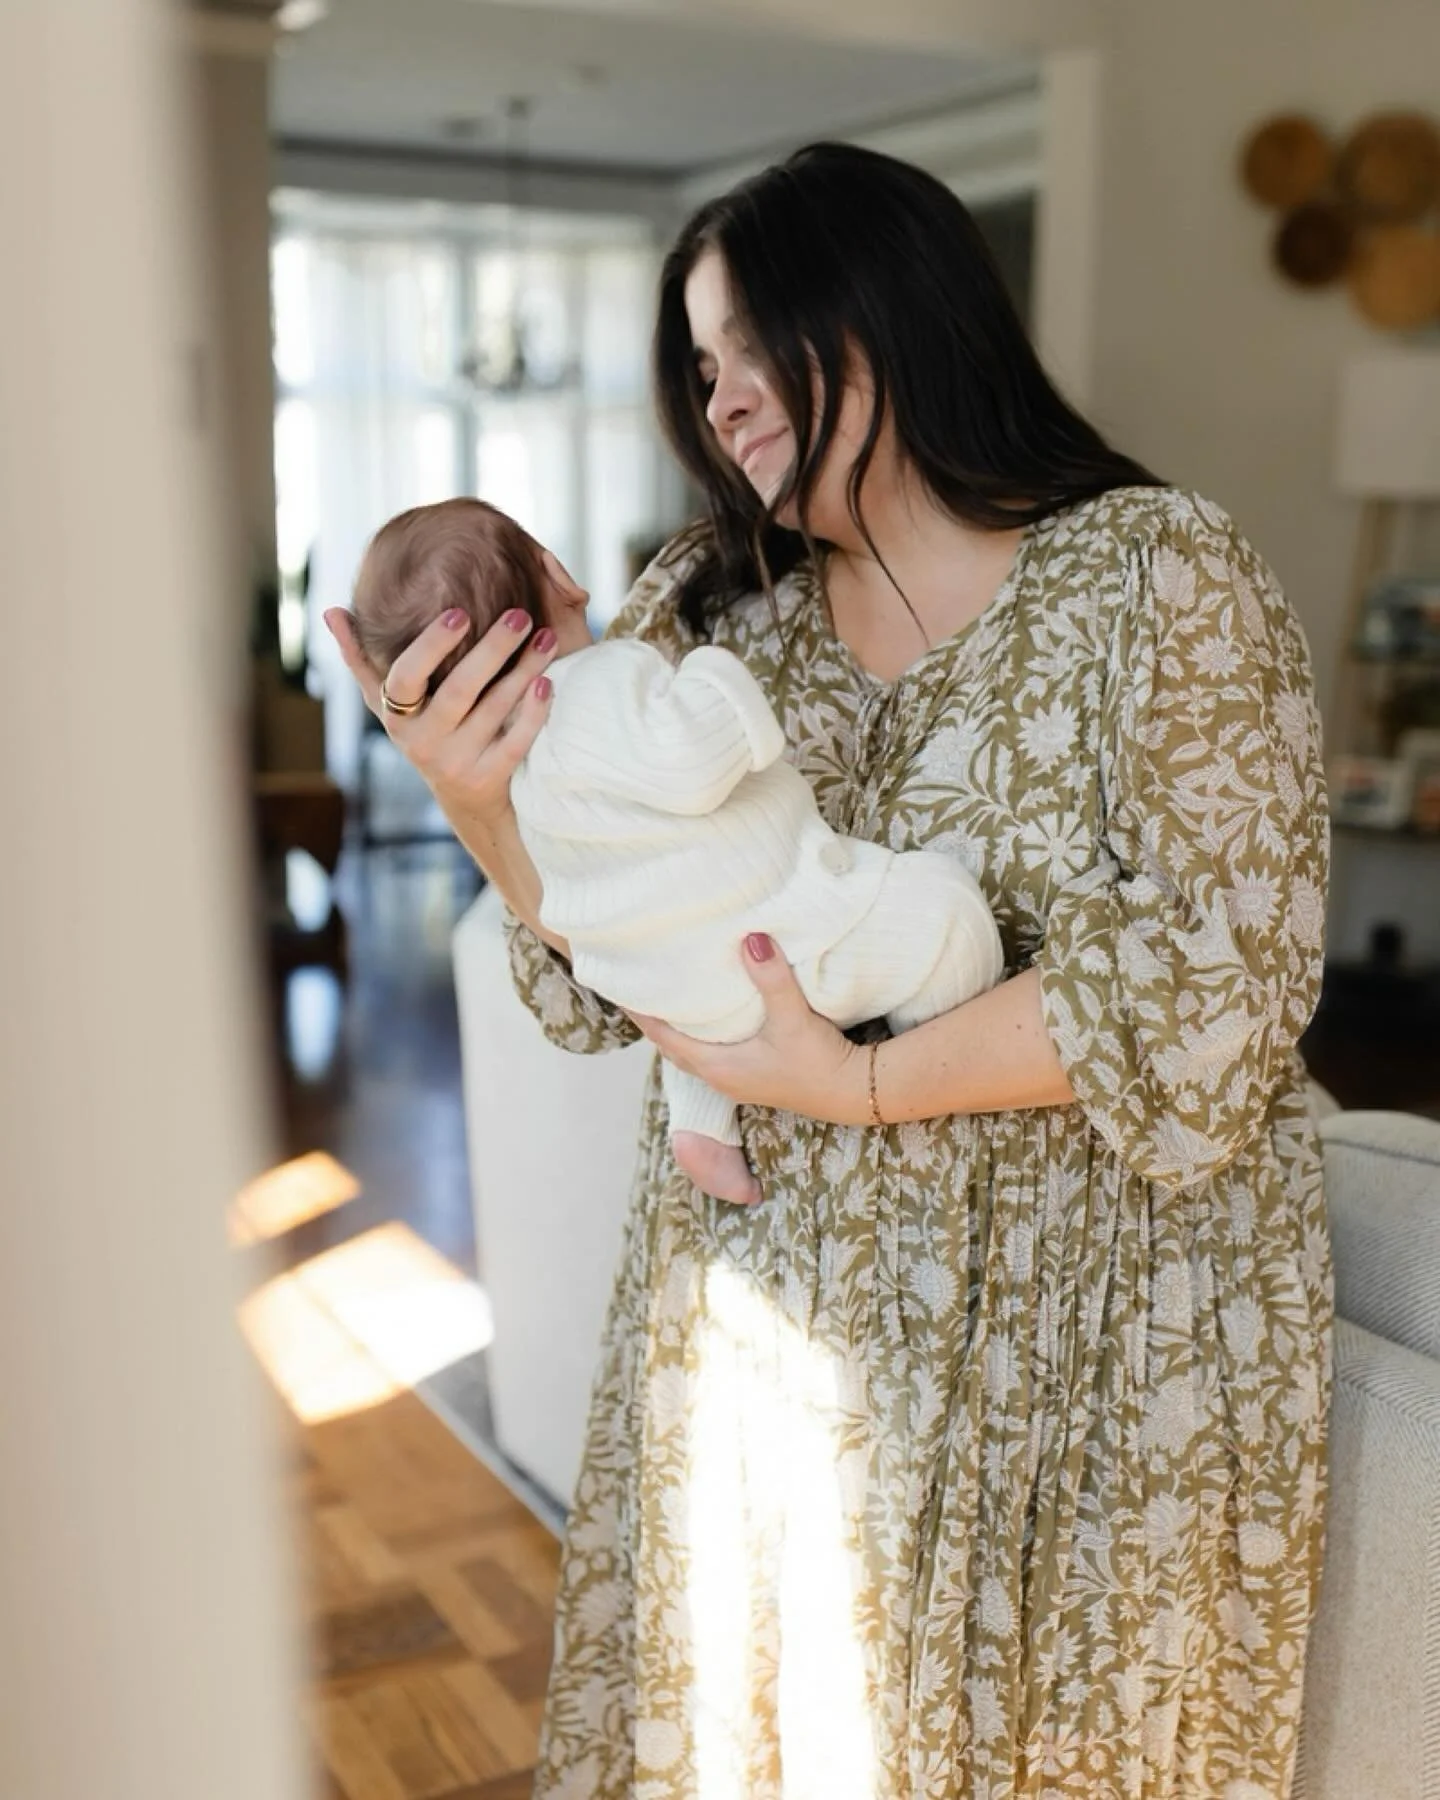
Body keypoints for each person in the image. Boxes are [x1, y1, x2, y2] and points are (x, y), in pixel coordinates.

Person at [326, 140, 1331, 1800]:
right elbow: (588, 993)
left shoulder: (1156, 572)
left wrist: (847, 1082)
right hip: (759, 1342)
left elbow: (1210, 981)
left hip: (1082, 1341)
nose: (717, 403)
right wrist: (478, 803)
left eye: (747, 348)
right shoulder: (714, 612)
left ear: (882, 310)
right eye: (698, 369)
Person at [347, 496, 1003, 1206]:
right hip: (790, 945)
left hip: (687, 993)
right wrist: (716, 674)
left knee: (699, 979)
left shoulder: (518, 771)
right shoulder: (596, 685)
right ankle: (928, 1070)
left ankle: (700, 1125)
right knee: (945, 918)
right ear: (558, 574)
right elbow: (689, 763)